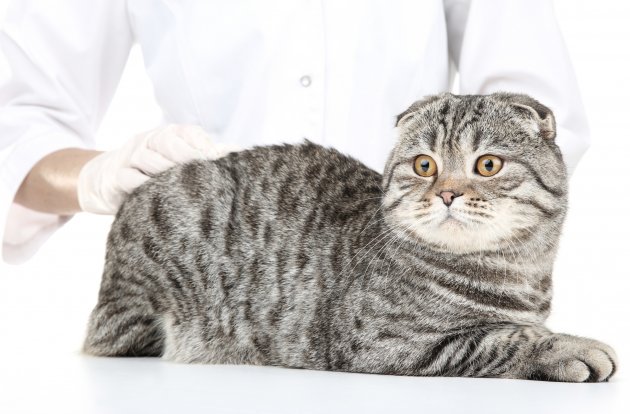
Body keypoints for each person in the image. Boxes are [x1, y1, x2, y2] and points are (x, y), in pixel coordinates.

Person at [0, 0, 590, 264]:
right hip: (211, 283)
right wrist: (94, 177)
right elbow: (17, 123)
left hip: (413, 284)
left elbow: (534, 118)